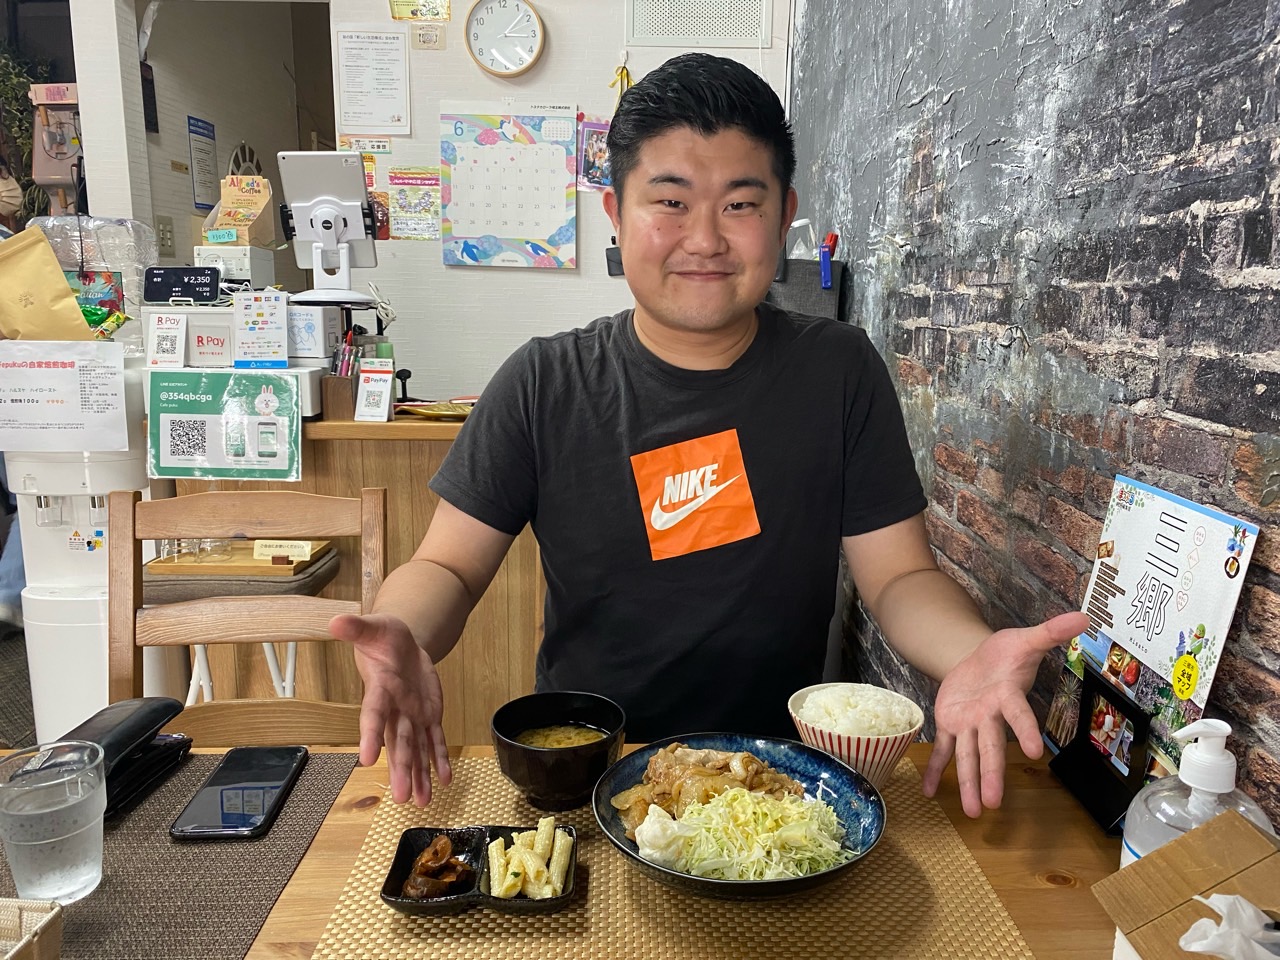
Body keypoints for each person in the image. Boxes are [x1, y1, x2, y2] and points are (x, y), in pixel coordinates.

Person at [330, 53, 1088, 817]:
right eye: (670, 201)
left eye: (739, 205)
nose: (704, 240)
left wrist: (969, 652)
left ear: (784, 213)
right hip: (595, 774)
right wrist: (402, 628)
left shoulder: (838, 370)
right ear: (616, 214)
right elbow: (449, 570)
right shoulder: (543, 383)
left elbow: (897, 578)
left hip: (783, 780)